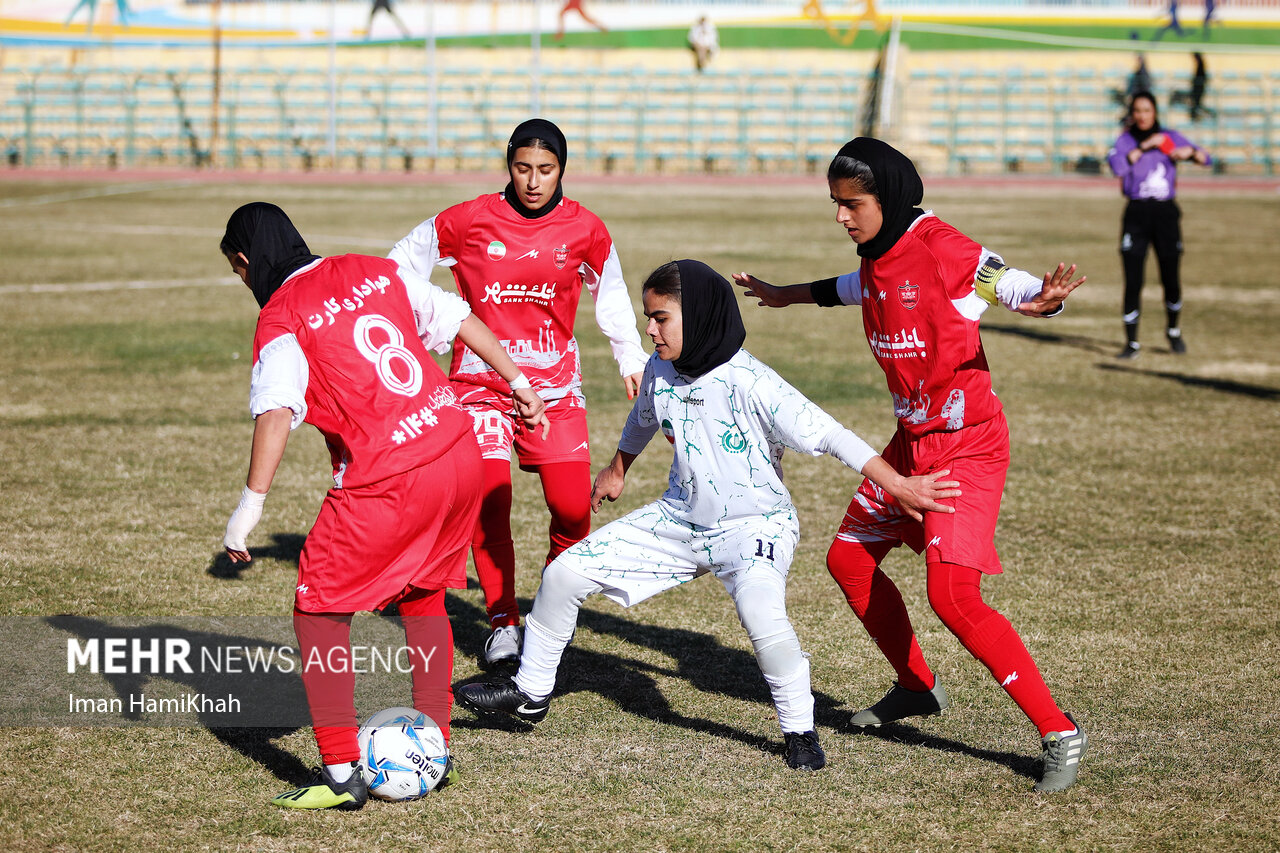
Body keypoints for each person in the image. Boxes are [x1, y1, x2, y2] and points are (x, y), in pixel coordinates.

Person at [455, 259, 959, 770]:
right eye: (647, 318)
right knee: (563, 575)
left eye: (661, 318)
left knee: (763, 616)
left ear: (698, 316)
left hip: (755, 526)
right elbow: (644, 415)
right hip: (680, 521)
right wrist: (617, 468)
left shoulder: (750, 380)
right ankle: (530, 693)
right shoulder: (661, 367)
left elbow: (830, 434)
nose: (649, 330)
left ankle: (800, 730)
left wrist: (897, 485)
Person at [733, 137, 1090, 793]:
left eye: (852, 204)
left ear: (888, 197)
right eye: (835, 204)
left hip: (966, 446)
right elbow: (857, 287)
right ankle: (917, 684)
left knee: (952, 595)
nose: (841, 217)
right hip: (910, 446)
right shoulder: (876, 254)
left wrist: (1040, 298)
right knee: (847, 557)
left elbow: (996, 277)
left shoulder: (941, 247)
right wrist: (787, 295)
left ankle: (1059, 729)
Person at [218, 202, 548, 810]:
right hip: (457, 450)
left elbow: (276, 409)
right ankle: (436, 747)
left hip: (388, 477)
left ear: (245, 263)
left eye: (239, 273)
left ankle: (342, 773)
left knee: (318, 610)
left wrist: (249, 507)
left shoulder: (281, 315)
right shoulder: (375, 269)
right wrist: (519, 384)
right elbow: (460, 319)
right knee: (422, 596)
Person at [389, 119, 648, 670]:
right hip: (479, 386)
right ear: (509, 165)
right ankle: (504, 622)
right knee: (489, 502)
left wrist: (630, 356)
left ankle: (553, 609)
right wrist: (430, 323)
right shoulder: (466, 220)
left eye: (546, 170)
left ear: (563, 170)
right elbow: (398, 266)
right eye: (522, 168)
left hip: (553, 387)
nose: (533, 181)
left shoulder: (585, 229)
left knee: (573, 508)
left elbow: (613, 291)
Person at [1107, 92, 1213, 359]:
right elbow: (1117, 167)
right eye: (1138, 110)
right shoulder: (1126, 140)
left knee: (1170, 276)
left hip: (1165, 213)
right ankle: (1131, 343)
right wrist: (1144, 147)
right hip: (1136, 212)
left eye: (1147, 110)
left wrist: (1191, 152)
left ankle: (1173, 331)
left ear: (1155, 112)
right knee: (1133, 279)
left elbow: (1206, 159)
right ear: (1132, 114)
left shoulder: (1170, 136)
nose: (1143, 115)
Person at [1171, 53, 1215, 123]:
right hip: (1197, 89)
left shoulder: (1201, 67)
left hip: (1198, 90)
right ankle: (1196, 117)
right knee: (1195, 104)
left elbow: (1201, 78)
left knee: (1196, 104)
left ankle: (1198, 117)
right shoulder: (1201, 67)